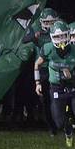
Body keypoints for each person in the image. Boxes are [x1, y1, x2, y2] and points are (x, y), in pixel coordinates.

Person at [34, 21, 75, 149]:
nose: (61, 40)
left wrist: (72, 76)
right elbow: (37, 64)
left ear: (68, 35)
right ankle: (68, 129)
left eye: (63, 36)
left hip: (73, 85)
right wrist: (37, 83)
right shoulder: (48, 49)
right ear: (52, 37)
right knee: (59, 122)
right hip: (56, 87)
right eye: (57, 37)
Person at [23, 7, 61, 135]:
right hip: (42, 68)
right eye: (47, 22)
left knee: (60, 98)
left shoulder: (60, 28)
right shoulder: (36, 28)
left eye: (52, 23)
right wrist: (34, 36)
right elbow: (24, 39)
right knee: (45, 100)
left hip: (58, 67)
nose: (50, 26)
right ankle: (52, 126)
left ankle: (62, 122)